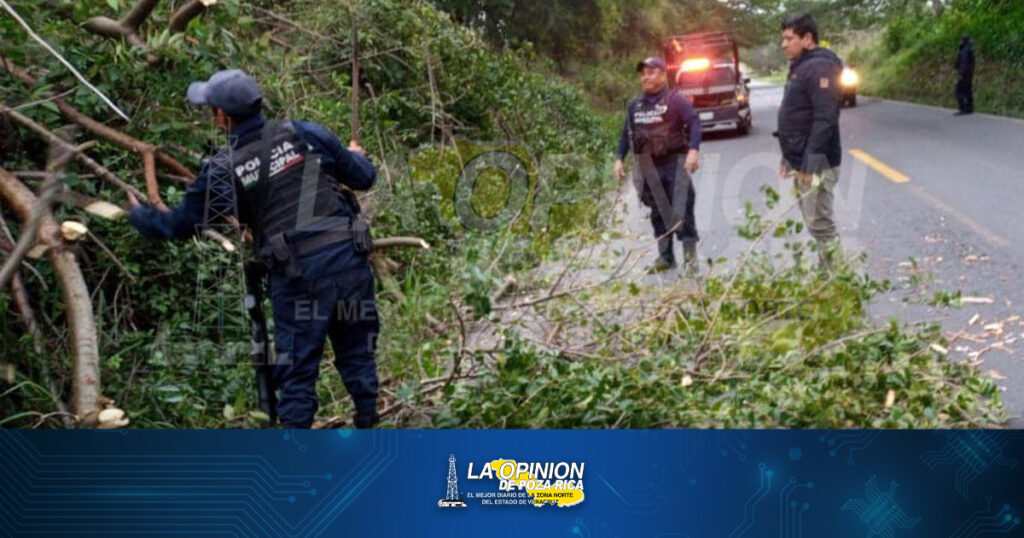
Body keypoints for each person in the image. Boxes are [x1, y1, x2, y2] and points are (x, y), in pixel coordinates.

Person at [127, 69, 381, 429]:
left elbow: (180, 226)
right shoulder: (305, 133)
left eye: (210, 110)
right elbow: (364, 177)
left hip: (299, 277)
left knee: (297, 374)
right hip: (349, 261)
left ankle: (295, 465)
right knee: (357, 352)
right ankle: (370, 426)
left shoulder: (221, 170)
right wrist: (358, 155)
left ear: (222, 117)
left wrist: (137, 216)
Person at [614, 57, 702, 275]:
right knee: (658, 213)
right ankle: (665, 258)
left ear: (663, 75)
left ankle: (691, 261)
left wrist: (693, 150)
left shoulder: (676, 100)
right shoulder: (635, 105)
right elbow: (627, 133)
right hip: (648, 168)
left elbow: (694, 123)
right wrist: (618, 158)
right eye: (643, 73)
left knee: (683, 211)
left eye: (651, 72)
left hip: (674, 164)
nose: (646, 77)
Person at [776, 13, 843, 268]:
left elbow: (825, 118)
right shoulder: (802, 66)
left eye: (788, 38)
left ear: (807, 39)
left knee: (821, 225)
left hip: (818, 163)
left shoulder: (818, 67)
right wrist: (788, 157)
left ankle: (838, 285)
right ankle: (828, 275)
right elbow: (798, 115)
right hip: (803, 159)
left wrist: (809, 164)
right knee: (815, 223)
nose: (784, 44)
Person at [954, 36, 975, 115]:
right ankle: (970, 108)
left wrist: (961, 74)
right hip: (969, 74)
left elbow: (964, 63)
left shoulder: (964, 50)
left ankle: (962, 108)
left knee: (959, 90)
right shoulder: (971, 49)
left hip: (964, 74)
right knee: (968, 90)